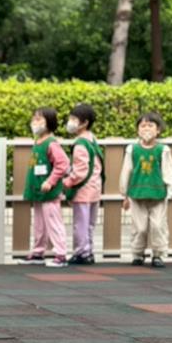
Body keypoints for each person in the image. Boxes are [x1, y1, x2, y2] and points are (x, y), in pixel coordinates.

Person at [121, 111, 172, 268]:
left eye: (150, 125)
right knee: (139, 227)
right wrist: (125, 195)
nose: (146, 129)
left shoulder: (162, 150)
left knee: (158, 226)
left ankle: (158, 254)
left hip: (158, 195)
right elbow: (126, 171)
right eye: (143, 126)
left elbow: (169, 171)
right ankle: (137, 253)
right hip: (137, 194)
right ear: (137, 130)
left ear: (158, 130)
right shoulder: (132, 150)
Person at [20, 107, 69, 267]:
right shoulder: (38, 142)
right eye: (33, 119)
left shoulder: (51, 143)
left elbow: (63, 164)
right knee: (39, 224)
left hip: (49, 192)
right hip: (38, 191)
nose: (35, 122)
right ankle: (38, 252)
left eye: (39, 119)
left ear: (49, 122)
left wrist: (50, 181)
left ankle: (61, 254)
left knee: (54, 222)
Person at [62, 103, 104, 265]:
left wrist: (67, 182)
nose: (70, 122)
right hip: (95, 188)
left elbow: (80, 171)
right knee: (90, 224)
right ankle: (89, 251)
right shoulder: (92, 139)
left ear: (84, 122)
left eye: (74, 119)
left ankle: (81, 252)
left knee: (80, 223)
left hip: (83, 190)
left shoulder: (80, 143)